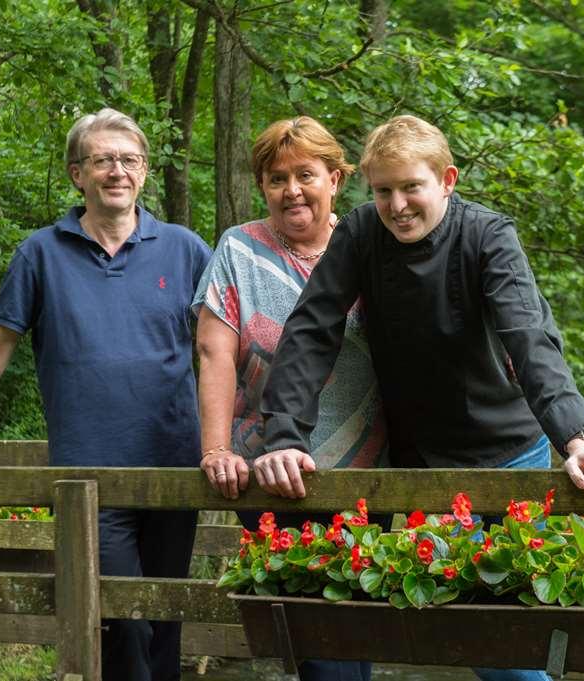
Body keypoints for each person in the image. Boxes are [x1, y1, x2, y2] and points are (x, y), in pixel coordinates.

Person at [258, 115, 584, 681]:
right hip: (421, 464)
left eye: (411, 187)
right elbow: (310, 329)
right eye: (384, 190)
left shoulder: (488, 235)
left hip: (508, 452)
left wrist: (576, 438)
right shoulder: (361, 232)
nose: (397, 205)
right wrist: (284, 436)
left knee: (509, 648)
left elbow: (529, 336)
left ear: (446, 179)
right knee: (463, 637)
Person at [0, 108, 212, 681]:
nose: (117, 171)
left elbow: (220, 352)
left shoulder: (184, 249)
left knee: (163, 621)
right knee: (120, 622)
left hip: (173, 467)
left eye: (129, 160)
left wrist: (242, 438)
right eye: (102, 160)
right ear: (77, 173)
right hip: (88, 480)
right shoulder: (40, 253)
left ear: (146, 171)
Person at [193, 116, 390, 681]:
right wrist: (215, 450)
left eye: (307, 174)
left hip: (369, 474)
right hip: (270, 469)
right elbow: (214, 355)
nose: (292, 190)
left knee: (358, 626)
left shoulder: (370, 244)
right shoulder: (239, 248)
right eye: (277, 178)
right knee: (314, 640)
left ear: (336, 178)